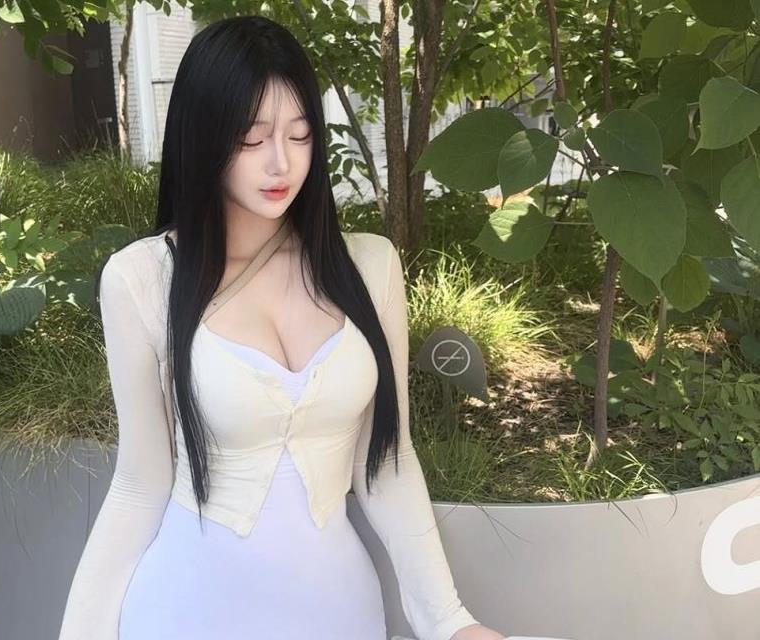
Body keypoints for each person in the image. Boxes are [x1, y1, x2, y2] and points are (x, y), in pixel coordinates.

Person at [57, 15, 506, 640]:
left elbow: (388, 461)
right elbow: (138, 485)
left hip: (339, 613)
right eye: (252, 138)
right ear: (204, 136)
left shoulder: (369, 267)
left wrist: (450, 621)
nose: (281, 162)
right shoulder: (142, 279)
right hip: (187, 612)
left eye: (299, 135)